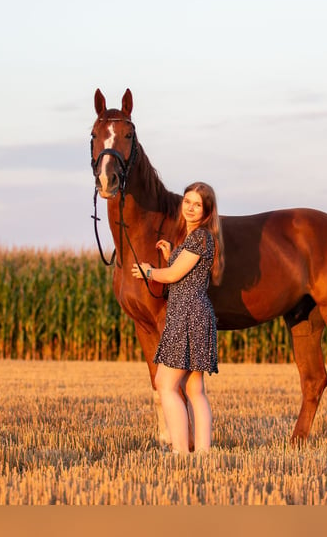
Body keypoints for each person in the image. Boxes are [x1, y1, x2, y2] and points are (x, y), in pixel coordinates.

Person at [131, 182, 224, 453]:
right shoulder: (196, 239)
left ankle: (181, 453)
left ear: (207, 210)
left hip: (187, 315)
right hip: (194, 313)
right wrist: (171, 254)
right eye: (187, 202)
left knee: (165, 384)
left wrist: (149, 271)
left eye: (197, 204)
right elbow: (186, 275)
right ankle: (203, 454)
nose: (191, 208)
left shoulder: (200, 238)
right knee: (194, 390)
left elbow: (172, 277)